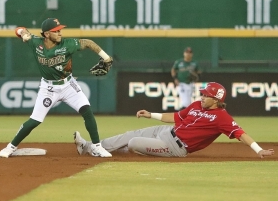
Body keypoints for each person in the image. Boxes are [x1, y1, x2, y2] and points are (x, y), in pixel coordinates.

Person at [0, 18, 113, 158]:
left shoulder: (68, 44)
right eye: (56, 31)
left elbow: (88, 43)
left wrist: (106, 58)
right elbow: (18, 29)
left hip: (68, 85)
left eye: (60, 30)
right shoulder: (35, 43)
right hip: (48, 88)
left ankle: (96, 147)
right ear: (46, 34)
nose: (60, 33)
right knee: (34, 121)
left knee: (87, 111)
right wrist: (23, 32)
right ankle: (10, 147)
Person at [74, 82, 274, 159]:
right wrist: (150, 114)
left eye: (206, 95)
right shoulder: (196, 105)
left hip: (176, 147)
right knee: (129, 135)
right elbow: (176, 118)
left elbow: (241, 134)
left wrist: (259, 150)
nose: (202, 96)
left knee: (133, 143)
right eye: (203, 94)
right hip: (166, 133)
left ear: (217, 99)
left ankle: (122, 151)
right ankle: (89, 147)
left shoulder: (222, 118)